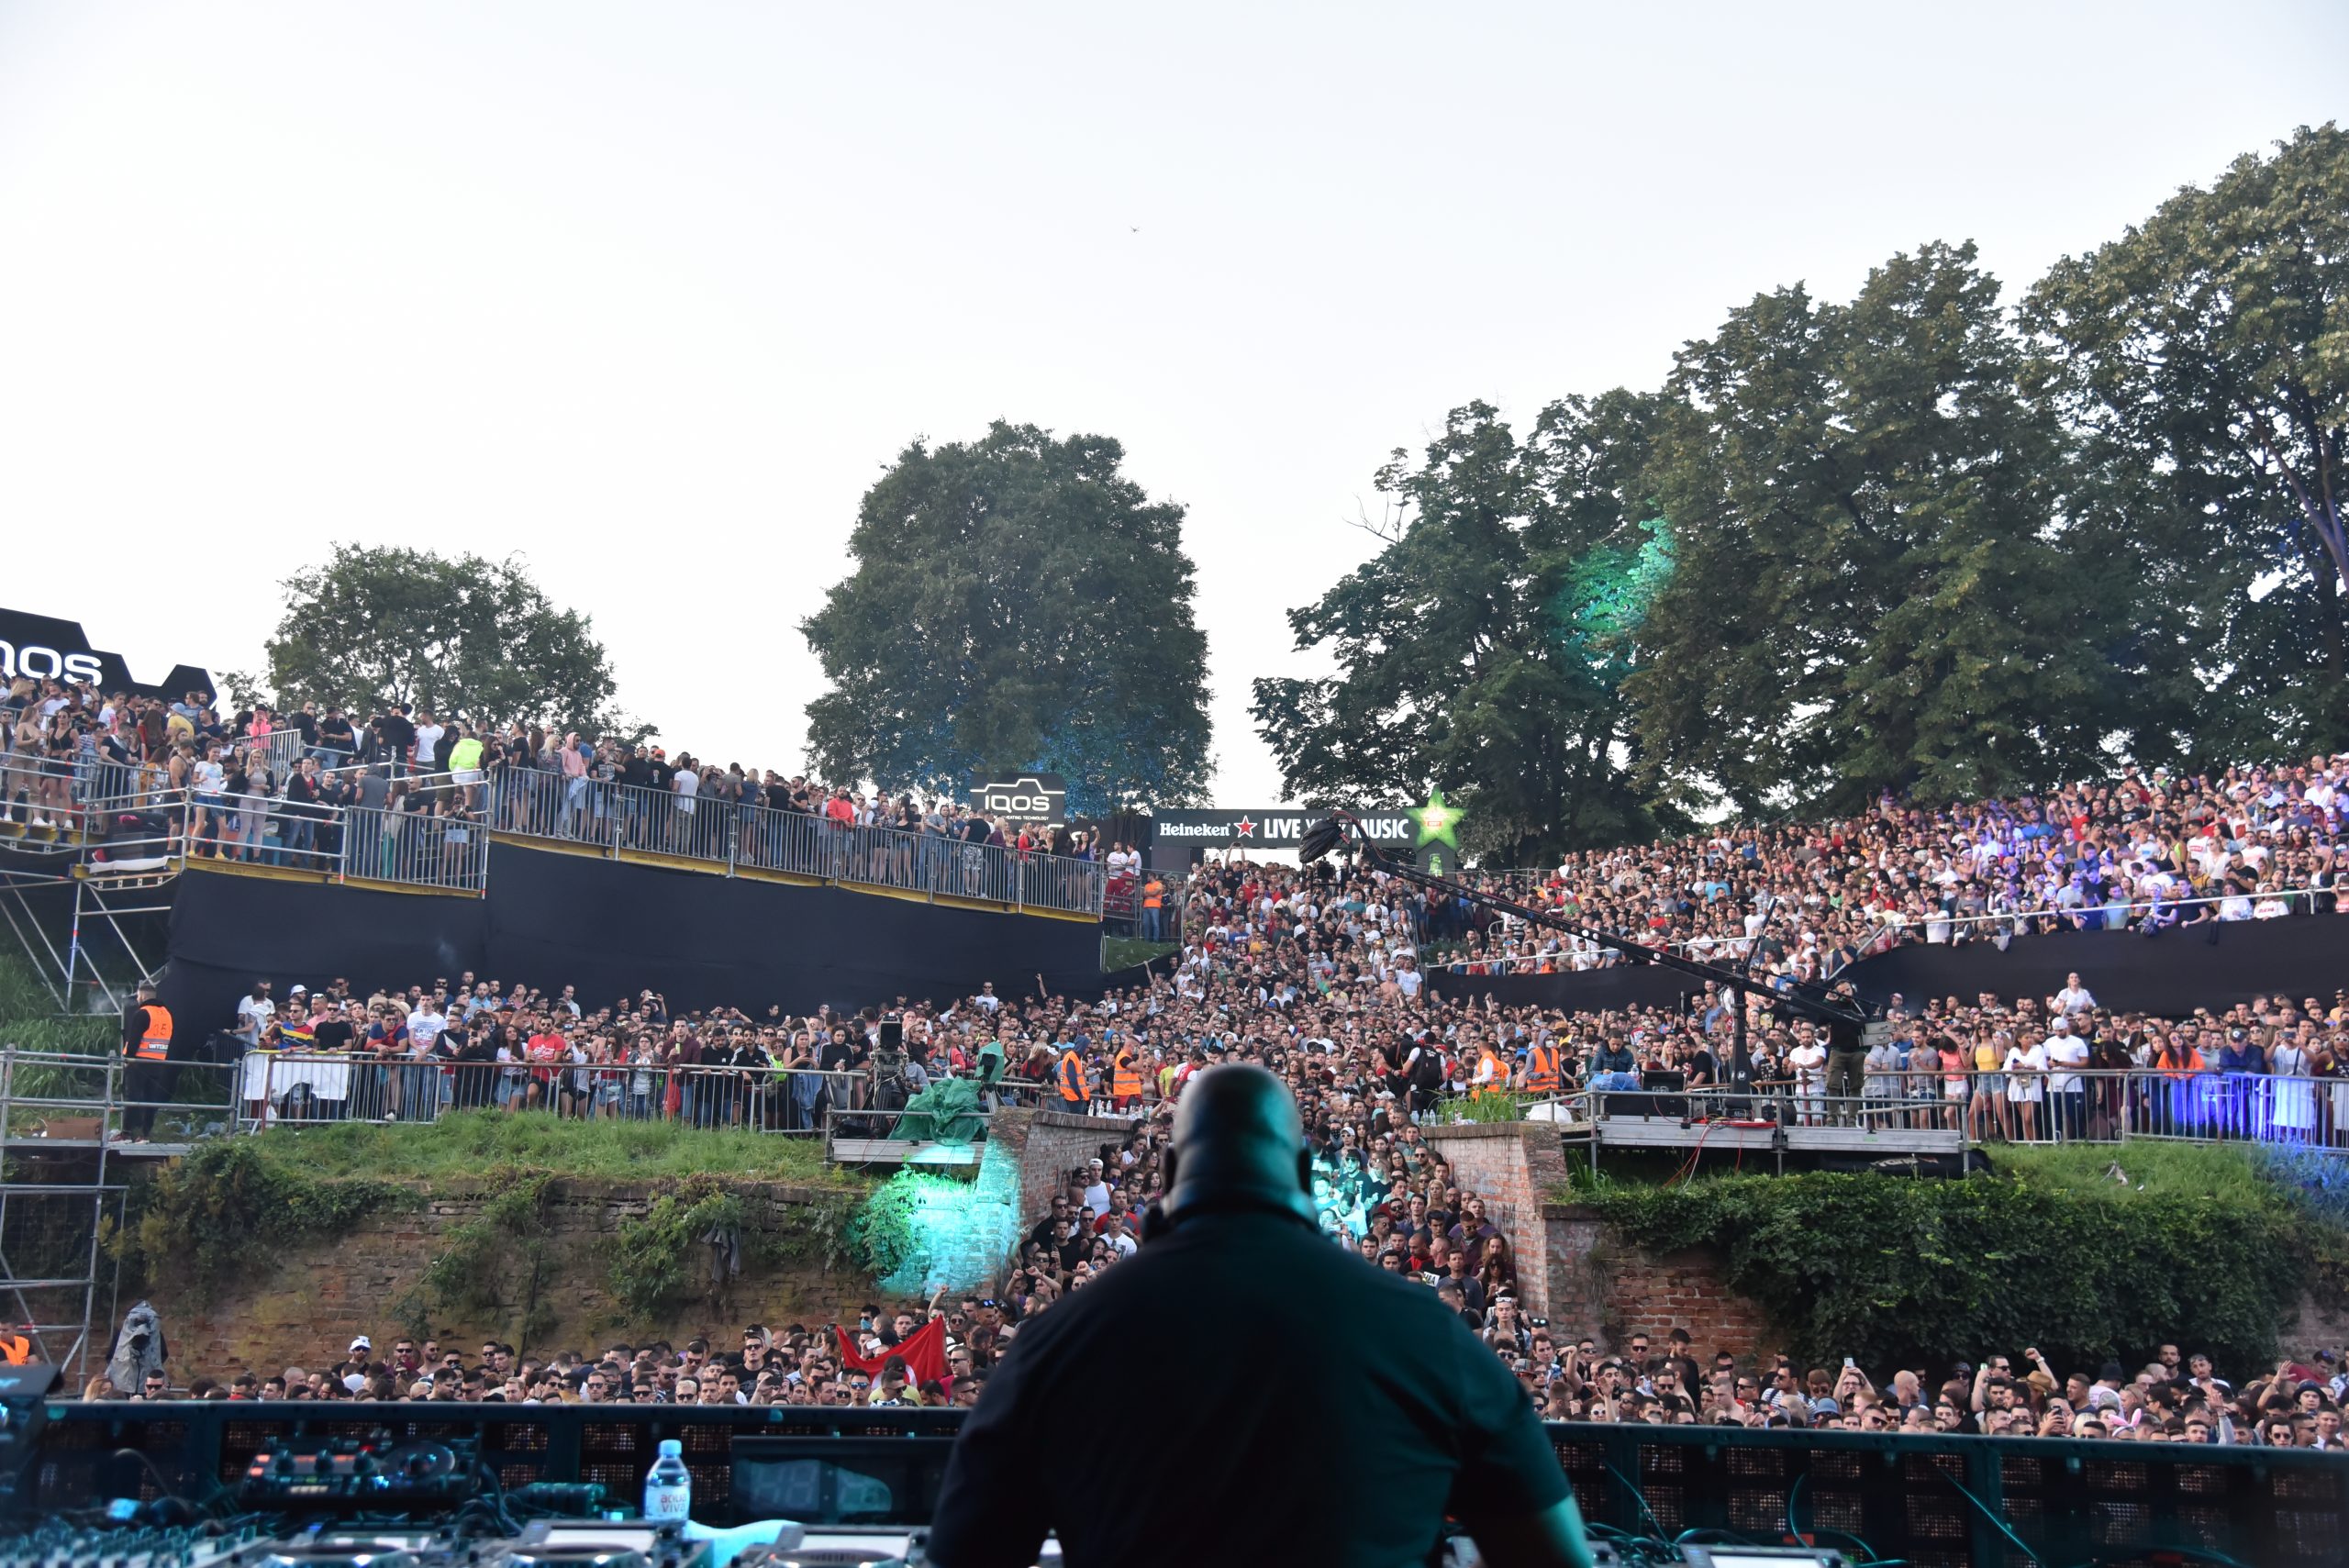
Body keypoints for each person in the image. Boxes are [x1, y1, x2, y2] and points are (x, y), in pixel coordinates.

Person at [927, 1063, 1592, 1568]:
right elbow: (1556, 1555)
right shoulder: (1428, 1334)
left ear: (1167, 1168)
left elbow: (964, 1550)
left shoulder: (1056, 1343)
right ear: (1304, 1172)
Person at [116, 981, 173, 1143]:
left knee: (132, 1097)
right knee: (151, 1099)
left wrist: (128, 1059)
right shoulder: (167, 1015)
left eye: (138, 996)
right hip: (158, 1063)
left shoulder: (143, 1013)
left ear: (142, 996)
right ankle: (145, 1134)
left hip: (139, 1062)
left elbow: (134, 1040)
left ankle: (126, 1133)